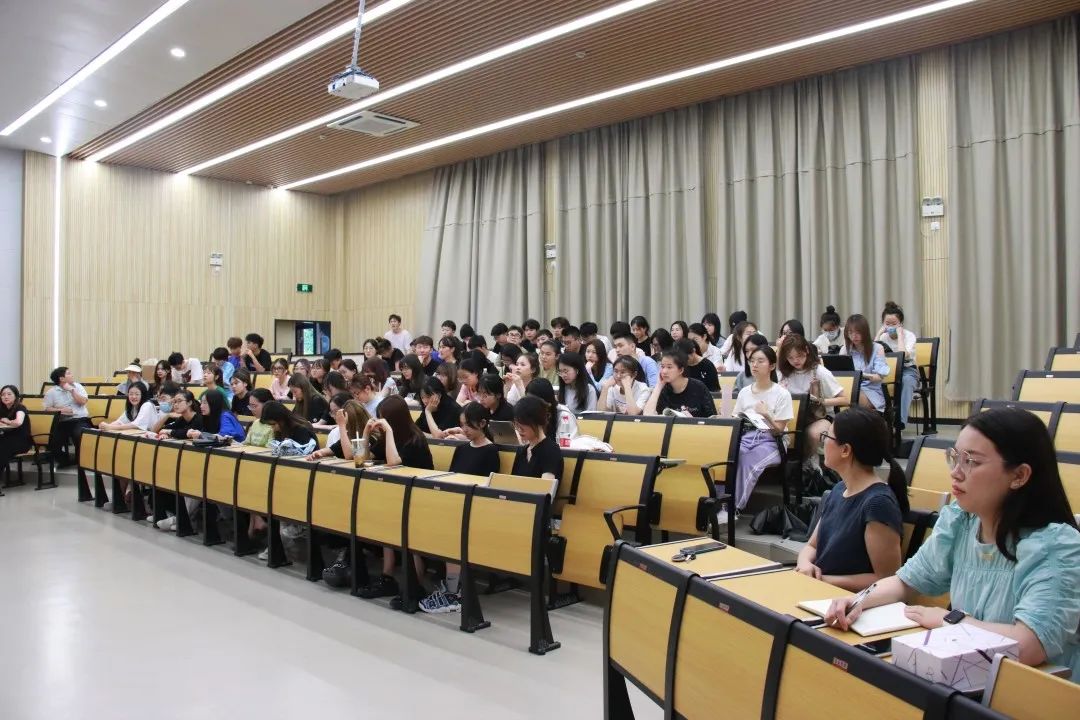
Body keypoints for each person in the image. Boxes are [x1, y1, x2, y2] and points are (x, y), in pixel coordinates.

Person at [824, 409, 1080, 681]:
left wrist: (950, 620)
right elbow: (906, 581)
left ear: (1019, 475)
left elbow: (1027, 646)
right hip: (970, 676)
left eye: (971, 462)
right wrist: (858, 601)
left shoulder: (1055, 547)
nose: (956, 473)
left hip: (1035, 688)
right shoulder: (962, 521)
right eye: (955, 457)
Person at [795, 408, 907, 591]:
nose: (823, 442)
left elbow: (886, 578)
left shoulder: (878, 503)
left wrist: (822, 580)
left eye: (827, 436)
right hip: (820, 590)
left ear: (845, 450)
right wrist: (805, 564)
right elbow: (812, 546)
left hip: (849, 600)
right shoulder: (839, 489)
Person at [421, 402, 502, 614]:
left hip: (475, 509)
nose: (464, 429)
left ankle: (453, 590)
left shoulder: (490, 451)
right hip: (456, 504)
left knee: (453, 532)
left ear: (482, 423)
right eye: (462, 425)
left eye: (468, 425)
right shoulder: (462, 449)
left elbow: (487, 488)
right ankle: (448, 585)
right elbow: (451, 477)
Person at [354, 396, 434, 600]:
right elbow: (362, 459)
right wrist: (366, 433)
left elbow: (393, 463)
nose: (381, 424)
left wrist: (388, 432)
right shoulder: (390, 438)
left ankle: (416, 583)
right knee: (385, 524)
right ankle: (387, 578)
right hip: (396, 497)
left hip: (420, 499)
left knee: (407, 533)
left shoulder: (415, 440)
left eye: (384, 420)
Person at [728, 346, 794, 519]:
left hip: (772, 442)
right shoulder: (744, 392)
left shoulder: (782, 394)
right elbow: (736, 420)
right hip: (746, 437)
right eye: (752, 361)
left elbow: (779, 431)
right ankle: (719, 502)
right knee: (728, 456)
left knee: (748, 460)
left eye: (760, 361)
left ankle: (733, 508)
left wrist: (766, 415)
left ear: (772, 366)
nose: (754, 365)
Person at [777, 334, 848, 464]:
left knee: (812, 434)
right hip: (792, 418)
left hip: (818, 417)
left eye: (799, 356)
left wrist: (820, 401)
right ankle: (787, 465)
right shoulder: (783, 373)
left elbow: (845, 399)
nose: (795, 361)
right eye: (790, 358)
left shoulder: (819, 372)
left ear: (806, 350)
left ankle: (809, 465)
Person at [876, 301, 919, 428]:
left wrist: (900, 335)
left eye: (894, 324)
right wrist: (878, 334)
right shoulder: (883, 337)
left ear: (901, 324)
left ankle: (900, 421)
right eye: (887, 323)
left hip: (907, 370)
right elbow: (873, 353)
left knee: (906, 382)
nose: (890, 326)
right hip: (888, 371)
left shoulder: (909, 336)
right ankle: (880, 422)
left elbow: (903, 355)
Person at [644, 349, 714, 418]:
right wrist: (659, 386)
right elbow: (647, 416)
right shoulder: (663, 390)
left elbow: (712, 417)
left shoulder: (698, 387)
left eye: (669, 367)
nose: (664, 371)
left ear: (681, 370)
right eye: (662, 367)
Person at [841, 314, 890, 411]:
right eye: (850, 332)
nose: (854, 336)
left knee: (850, 395)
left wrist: (861, 375)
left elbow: (879, 377)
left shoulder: (877, 348)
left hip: (871, 392)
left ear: (865, 332)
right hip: (849, 388)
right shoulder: (845, 349)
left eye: (858, 332)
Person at [43, 367, 90, 467]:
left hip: (80, 420)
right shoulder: (51, 392)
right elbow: (47, 409)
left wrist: (72, 390)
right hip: (63, 421)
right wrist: (60, 410)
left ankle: (80, 461)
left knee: (79, 435)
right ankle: (65, 461)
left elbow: (83, 402)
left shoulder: (78, 386)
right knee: (53, 440)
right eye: (68, 373)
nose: (72, 375)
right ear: (61, 378)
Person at [510, 395, 562, 481]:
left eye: (523, 424)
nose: (519, 429)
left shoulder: (551, 450)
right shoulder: (522, 451)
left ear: (538, 422)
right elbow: (512, 482)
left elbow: (546, 486)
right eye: (517, 424)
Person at [306, 398, 372, 462]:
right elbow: (331, 449)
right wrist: (319, 452)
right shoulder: (349, 436)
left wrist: (342, 426)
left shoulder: (372, 436)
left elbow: (350, 456)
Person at [0, 385, 33, 473]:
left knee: (2, 449)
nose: (6, 396)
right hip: (6, 438)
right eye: (3, 394)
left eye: (9, 394)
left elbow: (18, 422)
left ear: (15, 396)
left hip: (21, 440)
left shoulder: (20, 407)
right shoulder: (2, 408)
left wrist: (8, 421)